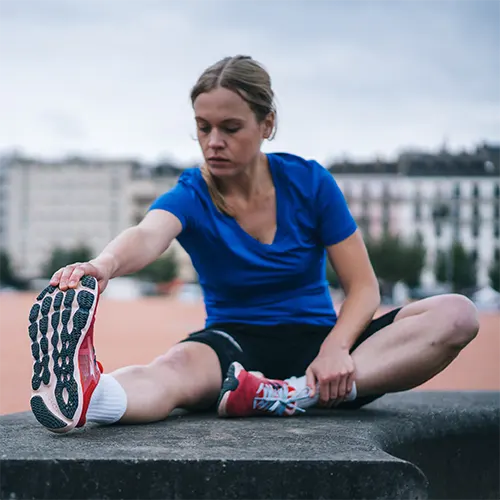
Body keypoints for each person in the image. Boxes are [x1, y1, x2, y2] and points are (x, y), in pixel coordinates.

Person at [27, 55, 480, 434]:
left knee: (455, 314)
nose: (213, 142)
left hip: (321, 343)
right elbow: (149, 234)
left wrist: (337, 347)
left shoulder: (310, 182)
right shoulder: (192, 192)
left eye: (230, 127)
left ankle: (291, 395)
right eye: (203, 127)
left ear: (267, 124)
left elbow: (363, 288)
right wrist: (103, 264)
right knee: (173, 368)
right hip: (234, 347)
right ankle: (88, 395)